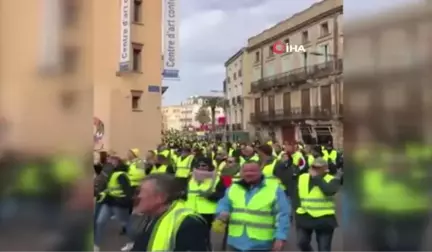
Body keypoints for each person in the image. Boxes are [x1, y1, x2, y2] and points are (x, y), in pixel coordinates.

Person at [216, 161, 291, 252]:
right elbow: (224, 203)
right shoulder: (233, 188)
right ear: (241, 173)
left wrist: (280, 237)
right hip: (235, 243)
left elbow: (283, 215)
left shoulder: (274, 189)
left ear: (260, 172)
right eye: (245, 171)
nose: (249, 174)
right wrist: (222, 212)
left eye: (252, 171)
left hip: (262, 245)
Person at [130, 174, 211, 252]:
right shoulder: (150, 216)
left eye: (139, 192)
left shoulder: (189, 224)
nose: (136, 197)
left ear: (160, 198)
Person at [294, 157, 341, 252]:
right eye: (313, 167)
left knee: (324, 248)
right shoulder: (303, 178)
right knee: (301, 242)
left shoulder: (333, 180)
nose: (315, 169)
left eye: (318, 168)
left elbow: (328, 191)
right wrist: (296, 206)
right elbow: (295, 192)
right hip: (304, 215)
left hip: (324, 218)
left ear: (325, 169)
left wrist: (317, 178)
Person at [94, 155, 134, 252]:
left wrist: (125, 202)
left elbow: (127, 191)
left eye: (112, 161)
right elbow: (110, 188)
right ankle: (96, 245)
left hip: (119, 204)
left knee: (125, 223)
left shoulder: (121, 175)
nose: (109, 162)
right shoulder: (110, 174)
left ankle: (131, 242)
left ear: (118, 163)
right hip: (109, 202)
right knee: (100, 222)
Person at [186, 157, 226, 237]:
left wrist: (209, 196)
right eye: (199, 165)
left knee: (204, 236)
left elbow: (222, 195)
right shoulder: (191, 177)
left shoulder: (217, 179)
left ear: (209, 167)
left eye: (204, 165)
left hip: (207, 212)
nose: (201, 167)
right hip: (191, 211)